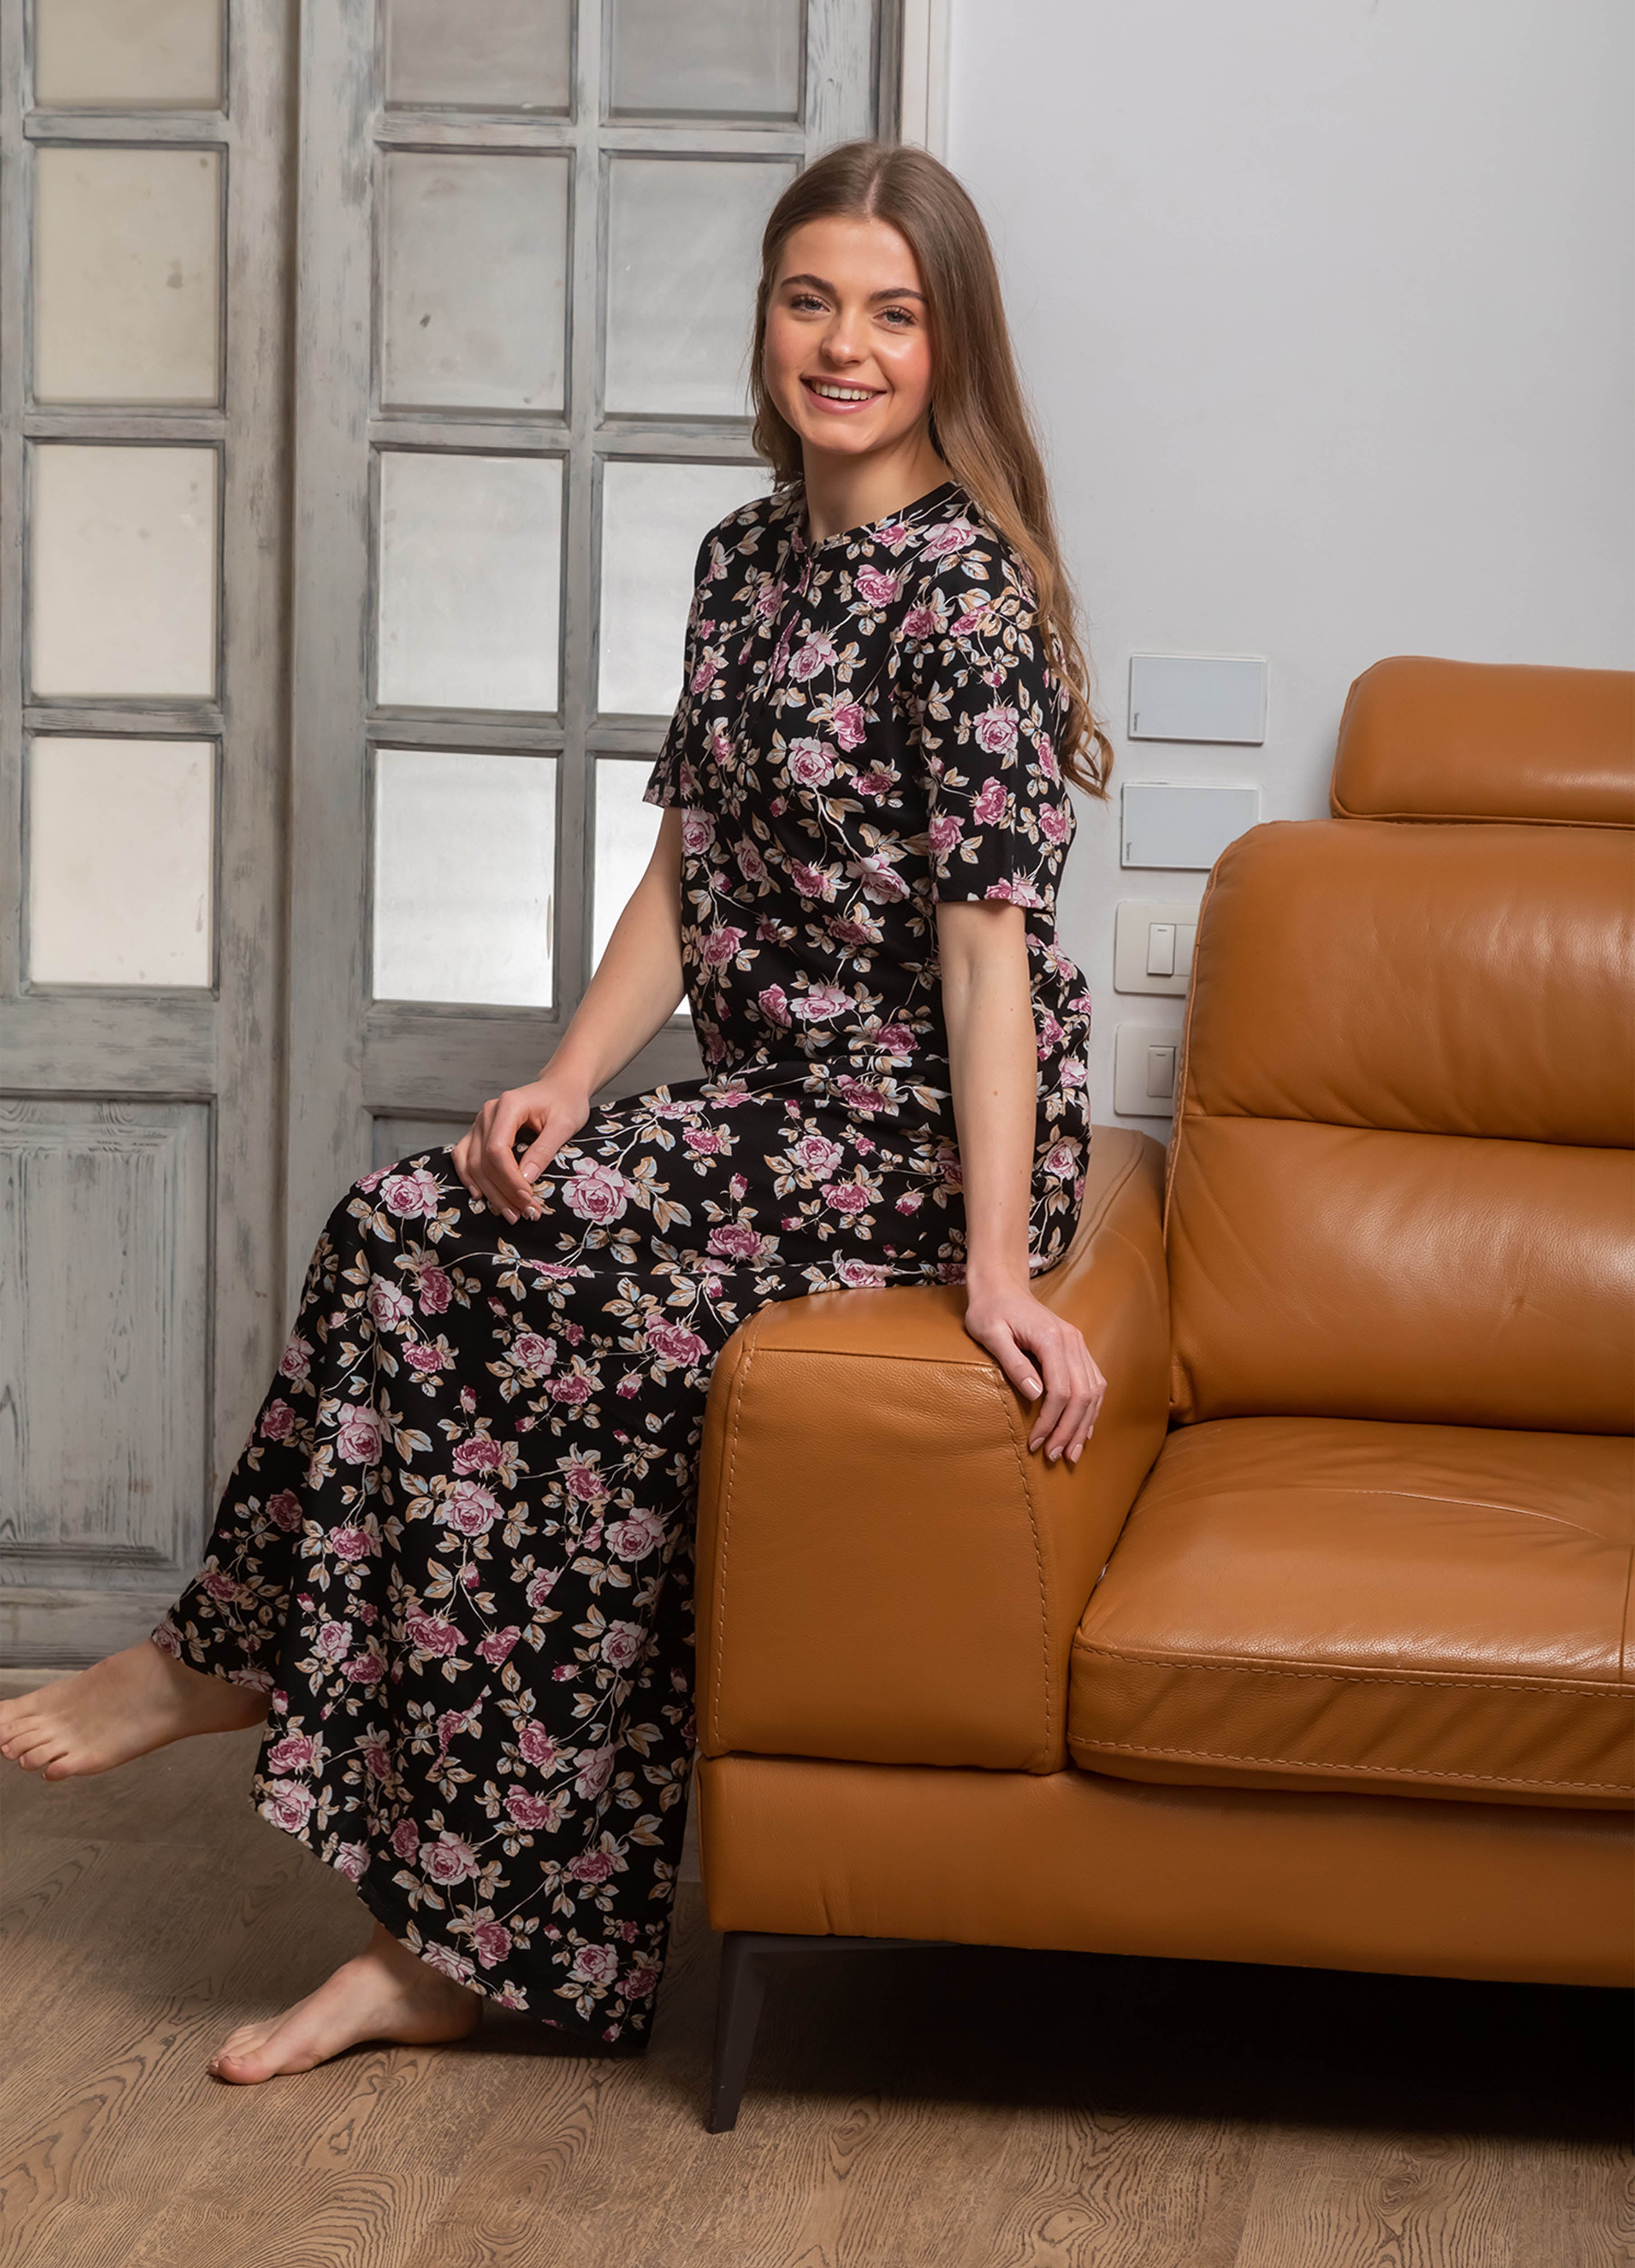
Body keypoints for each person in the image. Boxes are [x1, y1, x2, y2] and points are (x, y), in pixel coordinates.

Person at [0, 141, 1112, 2082]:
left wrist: (1002, 1269)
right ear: (766, 319)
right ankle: (417, 1914)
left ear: (952, 345)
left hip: (907, 1129)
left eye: (893, 312)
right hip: (763, 1113)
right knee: (417, 1232)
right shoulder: (742, 562)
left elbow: (984, 959)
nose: (844, 346)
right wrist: (569, 1077)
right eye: (811, 300)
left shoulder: (968, 600)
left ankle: (235, 1689)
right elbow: (684, 875)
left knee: (481, 1266)